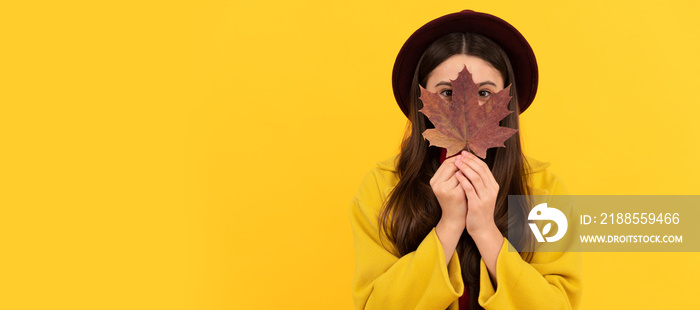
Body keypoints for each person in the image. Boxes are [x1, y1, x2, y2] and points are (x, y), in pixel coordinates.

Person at [349, 10, 582, 310]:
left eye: (485, 92)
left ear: (506, 105)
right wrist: (448, 226)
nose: (466, 111)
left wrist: (485, 230)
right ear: (422, 104)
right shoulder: (382, 189)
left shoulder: (545, 193)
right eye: (446, 92)